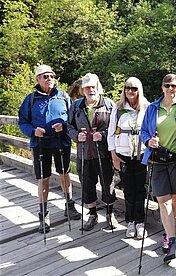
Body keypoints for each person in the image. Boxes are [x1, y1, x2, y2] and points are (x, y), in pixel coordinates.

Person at [141, 73, 176, 263]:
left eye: (173, 86)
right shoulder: (152, 108)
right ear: (162, 87)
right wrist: (149, 140)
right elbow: (143, 132)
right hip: (157, 160)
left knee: (174, 200)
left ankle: (168, 233)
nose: (170, 89)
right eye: (167, 85)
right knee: (162, 200)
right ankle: (172, 240)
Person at [18, 64, 80, 234]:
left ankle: (69, 205)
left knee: (65, 173)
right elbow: (22, 122)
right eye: (45, 76)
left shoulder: (63, 97)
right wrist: (33, 131)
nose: (49, 79)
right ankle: (43, 214)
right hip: (40, 145)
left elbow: (73, 120)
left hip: (61, 142)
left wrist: (65, 127)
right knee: (43, 178)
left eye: (51, 76)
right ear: (37, 79)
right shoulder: (30, 99)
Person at [67, 73, 117, 231]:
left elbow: (117, 128)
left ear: (98, 88)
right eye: (87, 87)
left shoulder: (109, 105)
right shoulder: (76, 106)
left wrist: (102, 135)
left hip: (104, 154)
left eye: (93, 87)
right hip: (84, 152)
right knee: (87, 185)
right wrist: (76, 136)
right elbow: (69, 126)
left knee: (107, 184)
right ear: (82, 89)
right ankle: (93, 214)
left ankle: (110, 214)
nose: (90, 90)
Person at [107, 77, 149, 239]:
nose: (130, 91)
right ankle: (130, 221)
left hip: (141, 154)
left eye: (134, 88)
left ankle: (140, 222)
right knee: (128, 189)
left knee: (140, 189)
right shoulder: (118, 108)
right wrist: (113, 155)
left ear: (139, 90)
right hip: (123, 155)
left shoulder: (147, 107)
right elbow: (111, 133)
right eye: (127, 88)